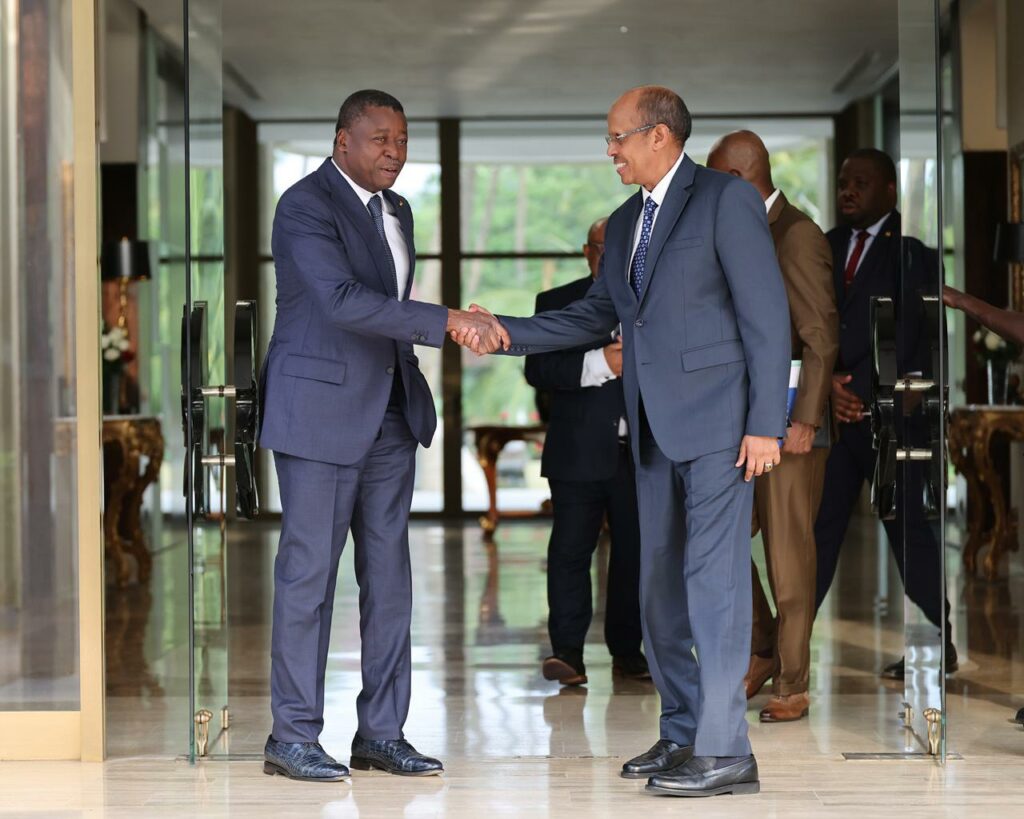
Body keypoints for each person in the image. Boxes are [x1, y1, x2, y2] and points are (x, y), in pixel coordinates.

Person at [461, 85, 791, 798]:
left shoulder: (725, 201)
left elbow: (767, 314)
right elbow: (592, 316)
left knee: (714, 586)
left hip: (720, 429)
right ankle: (683, 731)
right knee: (655, 589)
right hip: (650, 430)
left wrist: (767, 421)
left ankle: (725, 749)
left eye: (617, 137)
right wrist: (505, 330)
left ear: (659, 136)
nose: (609, 150)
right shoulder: (624, 221)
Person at [258, 89, 506, 782]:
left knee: (390, 579)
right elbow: (342, 301)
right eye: (380, 138)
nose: (394, 151)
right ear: (343, 141)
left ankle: (381, 733)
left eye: (401, 139)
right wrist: (449, 320)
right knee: (309, 576)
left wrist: (447, 325)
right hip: (319, 414)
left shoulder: (398, 209)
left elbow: (387, 307)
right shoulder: (304, 205)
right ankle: (292, 735)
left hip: (390, 415)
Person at [707, 131, 838, 723]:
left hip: (790, 425)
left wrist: (805, 419)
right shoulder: (737, 231)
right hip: (736, 422)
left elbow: (819, 335)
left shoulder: (797, 233)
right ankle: (763, 648)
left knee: (789, 557)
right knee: (725, 541)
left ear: (737, 178)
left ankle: (793, 682)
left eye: (713, 179)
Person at [812, 148, 955, 678]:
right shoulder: (824, 246)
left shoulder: (913, 254)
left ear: (890, 191)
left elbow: (928, 340)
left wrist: (894, 396)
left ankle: (942, 639)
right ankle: (788, 652)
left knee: (909, 533)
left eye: (861, 183)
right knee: (817, 534)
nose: (848, 191)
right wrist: (826, 387)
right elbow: (806, 322)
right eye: (843, 182)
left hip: (892, 423)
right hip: (834, 419)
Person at [524, 217, 649, 687]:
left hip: (640, 452)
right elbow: (538, 371)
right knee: (570, 552)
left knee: (635, 556)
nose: (611, 256)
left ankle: (628, 652)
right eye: (602, 247)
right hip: (577, 451)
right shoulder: (556, 302)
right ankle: (568, 654)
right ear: (587, 252)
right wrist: (600, 363)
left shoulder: (650, 298)